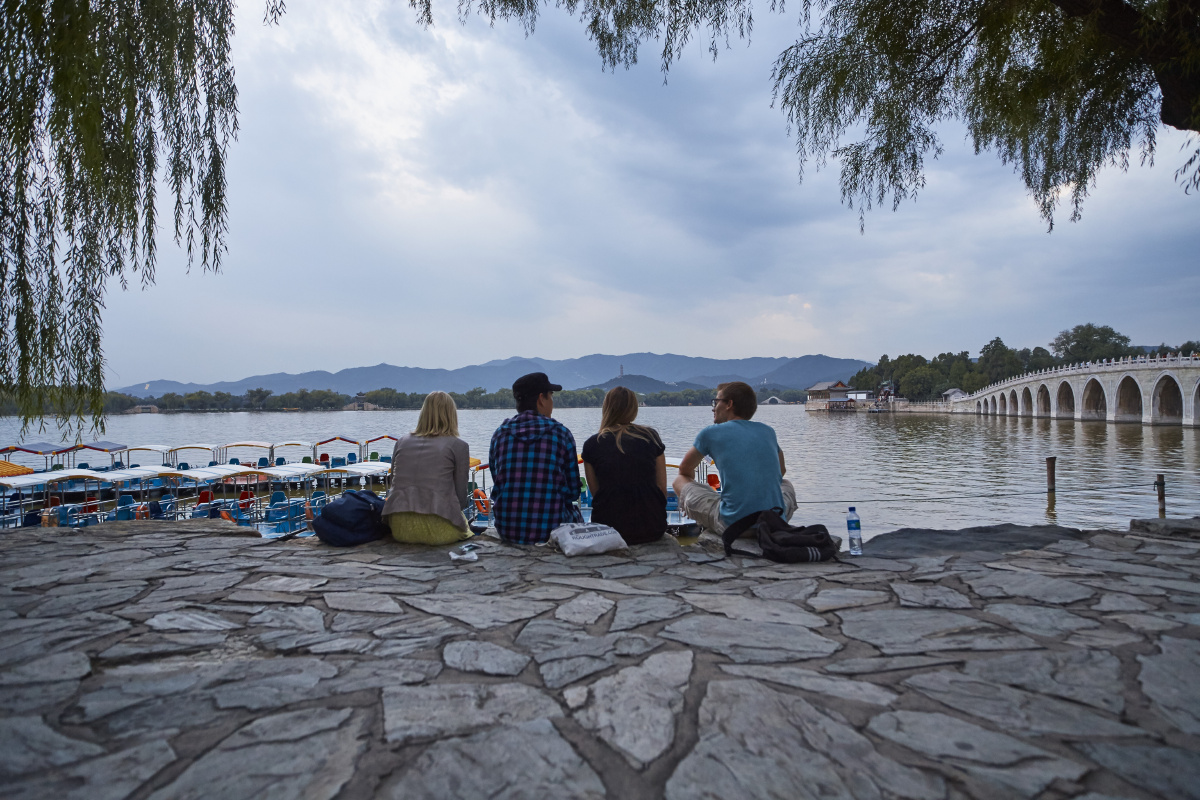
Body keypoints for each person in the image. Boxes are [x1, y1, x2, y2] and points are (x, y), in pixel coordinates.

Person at [673, 381, 797, 536]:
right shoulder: (768, 431)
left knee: (679, 480)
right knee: (786, 484)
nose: (713, 407)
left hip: (733, 524)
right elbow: (781, 471)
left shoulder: (710, 433)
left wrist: (691, 499)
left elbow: (685, 470)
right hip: (774, 522)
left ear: (729, 404)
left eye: (716, 402)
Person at [489, 372, 583, 544]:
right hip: (552, 529)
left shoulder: (500, 434)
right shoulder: (561, 433)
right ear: (541, 399)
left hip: (507, 529)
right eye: (551, 396)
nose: (552, 402)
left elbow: (498, 480)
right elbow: (573, 491)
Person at [381, 391, 472, 545]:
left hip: (399, 527)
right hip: (439, 530)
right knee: (466, 529)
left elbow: (393, 483)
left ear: (423, 413)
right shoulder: (459, 446)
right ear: (452, 415)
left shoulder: (401, 441)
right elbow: (461, 497)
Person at [582, 386, 668, 544]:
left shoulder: (592, 444)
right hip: (652, 527)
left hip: (608, 528)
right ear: (633, 409)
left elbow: (597, 494)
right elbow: (662, 489)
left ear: (606, 408)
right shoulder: (651, 437)